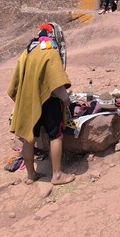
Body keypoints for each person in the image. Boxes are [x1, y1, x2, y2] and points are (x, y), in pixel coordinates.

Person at [7, 23, 75, 185]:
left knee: (28, 138)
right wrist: (65, 99)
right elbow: (56, 82)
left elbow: (16, 82)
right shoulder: (50, 52)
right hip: (48, 102)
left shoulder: (28, 51)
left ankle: (31, 175)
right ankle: (57, 175)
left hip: (28, 102)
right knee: (55, 136)